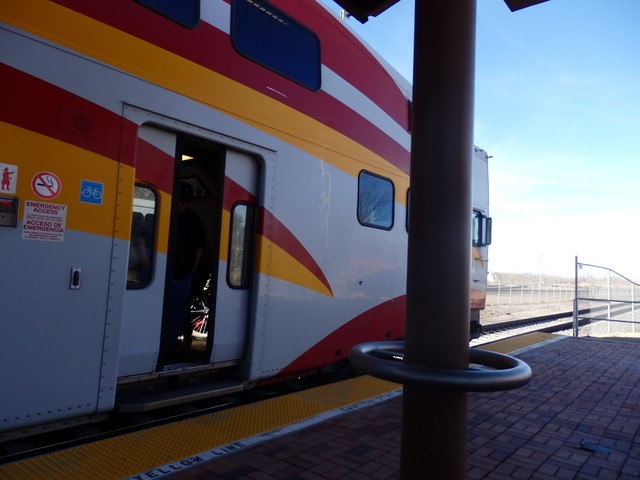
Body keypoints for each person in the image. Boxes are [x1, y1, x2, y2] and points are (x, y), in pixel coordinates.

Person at [169, 181, 206, 355]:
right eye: (180, 200)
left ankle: (176, 347)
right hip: (162, 273)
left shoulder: (194, 220)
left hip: (184, 275)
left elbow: (200, 245)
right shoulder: (165, 213)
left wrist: (193, 269)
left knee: (179, 312)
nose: (183, 204)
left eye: (187, 201)